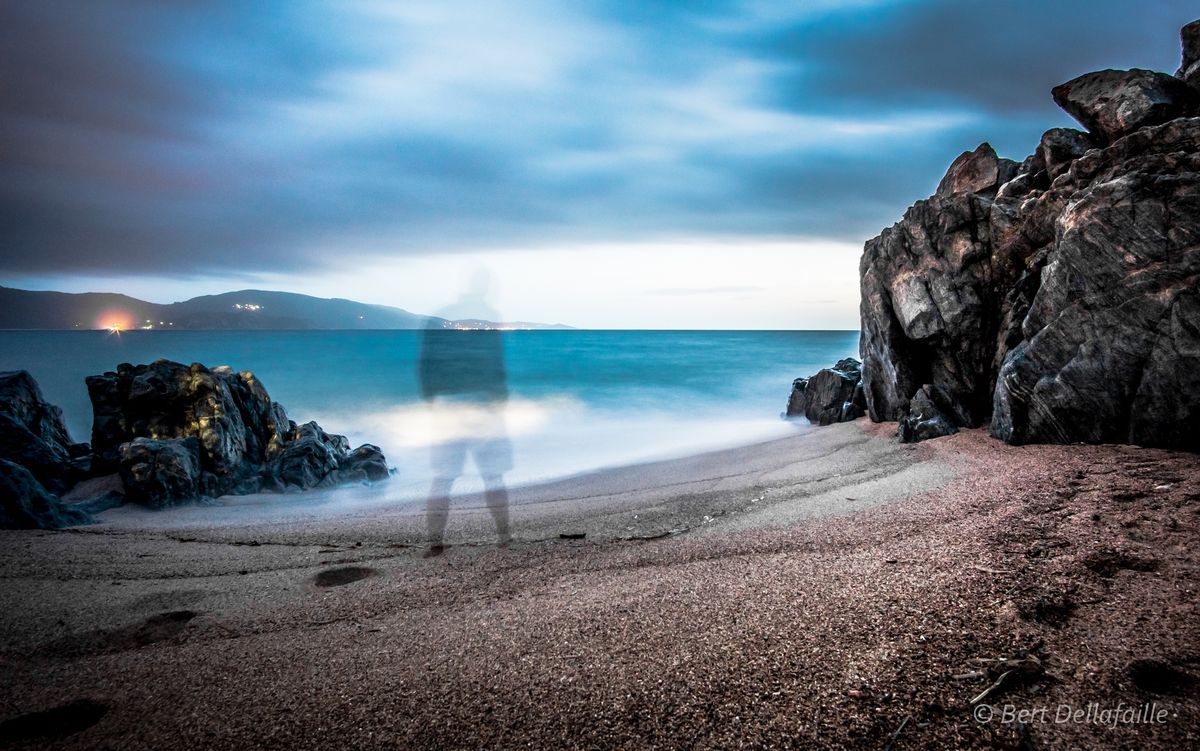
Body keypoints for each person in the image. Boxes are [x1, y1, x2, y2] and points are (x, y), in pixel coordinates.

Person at [417, 271, 512, 557]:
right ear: (485, 289)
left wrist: (433, 399)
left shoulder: (439, 318)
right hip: (482, 406)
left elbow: (426, 368)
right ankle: (504, 537)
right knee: (493, 475)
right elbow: (496, 370)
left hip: (449, 406)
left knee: (444, 476)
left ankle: (435, 541)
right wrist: (499, 400)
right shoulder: (489, 319)